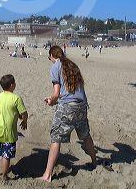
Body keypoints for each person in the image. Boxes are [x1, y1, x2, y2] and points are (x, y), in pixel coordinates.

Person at [40, 46, 96, 183]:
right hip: (82, 106)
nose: (50, 61)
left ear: (52, 56)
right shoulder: (73, 65)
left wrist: (50, 100)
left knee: (56, 138)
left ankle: (47, 175)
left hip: (67, 106)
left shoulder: (56, 66)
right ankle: (95, 161)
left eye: (49, 58)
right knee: (85, 135)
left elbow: (56, 93)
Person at [0, 74, 28, 180]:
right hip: (9, 129)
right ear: (12, 85)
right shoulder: (16, 98)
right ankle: (4, 176)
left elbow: (6, 108)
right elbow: (24, 113)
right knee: (6, 154)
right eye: (14, 82)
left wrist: (17, 114)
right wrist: (24, 120)